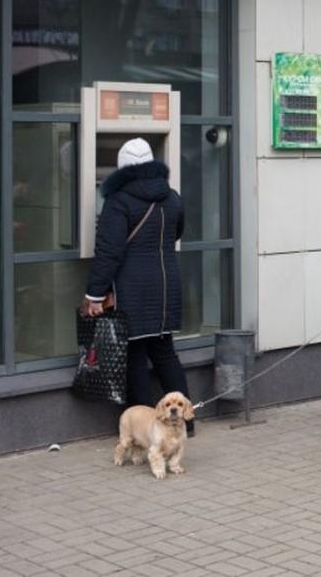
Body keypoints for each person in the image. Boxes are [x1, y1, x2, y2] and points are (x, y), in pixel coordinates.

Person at [81, 138, 193, 437]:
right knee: (165, 353)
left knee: (134, 358)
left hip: (131, 288)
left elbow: (109, 250)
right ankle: (186, 423)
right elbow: (176, 233)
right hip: (167, 285)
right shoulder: (172, 197)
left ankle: (145, 429)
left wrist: (94, 293)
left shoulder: (118, 201)